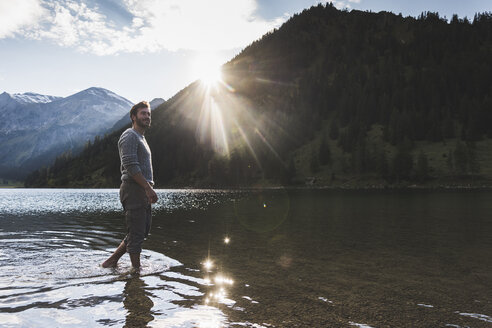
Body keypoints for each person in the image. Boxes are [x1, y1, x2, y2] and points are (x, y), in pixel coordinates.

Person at [102, 101, 158, 270]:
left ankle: (111, 261)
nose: (147, 117)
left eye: (148, 114)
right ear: (133, 117)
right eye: (143, 114)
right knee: (136, 233)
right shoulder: (130, 135)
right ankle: (136, 272)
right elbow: (130, 165)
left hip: (141, 190)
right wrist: (148, 188)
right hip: (133, 189)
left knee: (141, 231)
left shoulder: (141, 137)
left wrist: (147, 188)